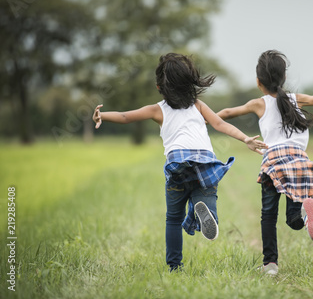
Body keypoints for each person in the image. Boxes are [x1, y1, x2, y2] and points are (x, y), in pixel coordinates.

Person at [92, 53, 267, 272]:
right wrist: (245, 138)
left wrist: (103, 115)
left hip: (177, 162)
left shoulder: (158, 109)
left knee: (173, 218)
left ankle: (175, 266)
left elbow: (126, 116)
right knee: (206, 192)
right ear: (189, 84)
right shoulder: (198, 105)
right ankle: (206, 212)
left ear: (159, 87)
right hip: (204, 159)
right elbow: (220, 124)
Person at [217, 50, 313, 275]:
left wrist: (200, 115)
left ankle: (270, 264)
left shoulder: (258, 103)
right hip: (299, 161)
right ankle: (304, 215)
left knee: (268, 215)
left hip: (273, 163)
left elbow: (228, 112)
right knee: (292, 217)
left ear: (258, 82)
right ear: (284, 78)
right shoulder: (296, 99)